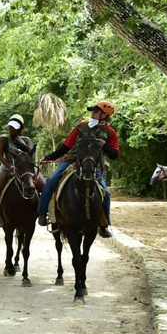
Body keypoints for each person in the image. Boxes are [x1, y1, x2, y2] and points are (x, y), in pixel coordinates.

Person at [36, 101, 119, 238]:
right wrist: (49, 157)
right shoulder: (82, 126)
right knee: (51, 181)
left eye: (96, 112)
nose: (93, 113)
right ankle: (42, 213)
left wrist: (104, 145)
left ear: (105, 115)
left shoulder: (110, 133)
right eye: (93, 111)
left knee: (106, 192)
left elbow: (114, 155)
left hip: (92, 165)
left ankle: (104, 224)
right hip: (71, 160)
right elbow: (66, 146)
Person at [0, 114, 44, 227]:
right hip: (7, 167)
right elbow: (0, 156)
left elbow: (30, 154)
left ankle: (42, 213)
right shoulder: (3, 139)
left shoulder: (26, 139)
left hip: (25, 167)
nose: (10, 129)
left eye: (13, 127)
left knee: (46, 187)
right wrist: (10, 167)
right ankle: (0, 214)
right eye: (9, 127)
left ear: (20, 128)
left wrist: (19, 142)